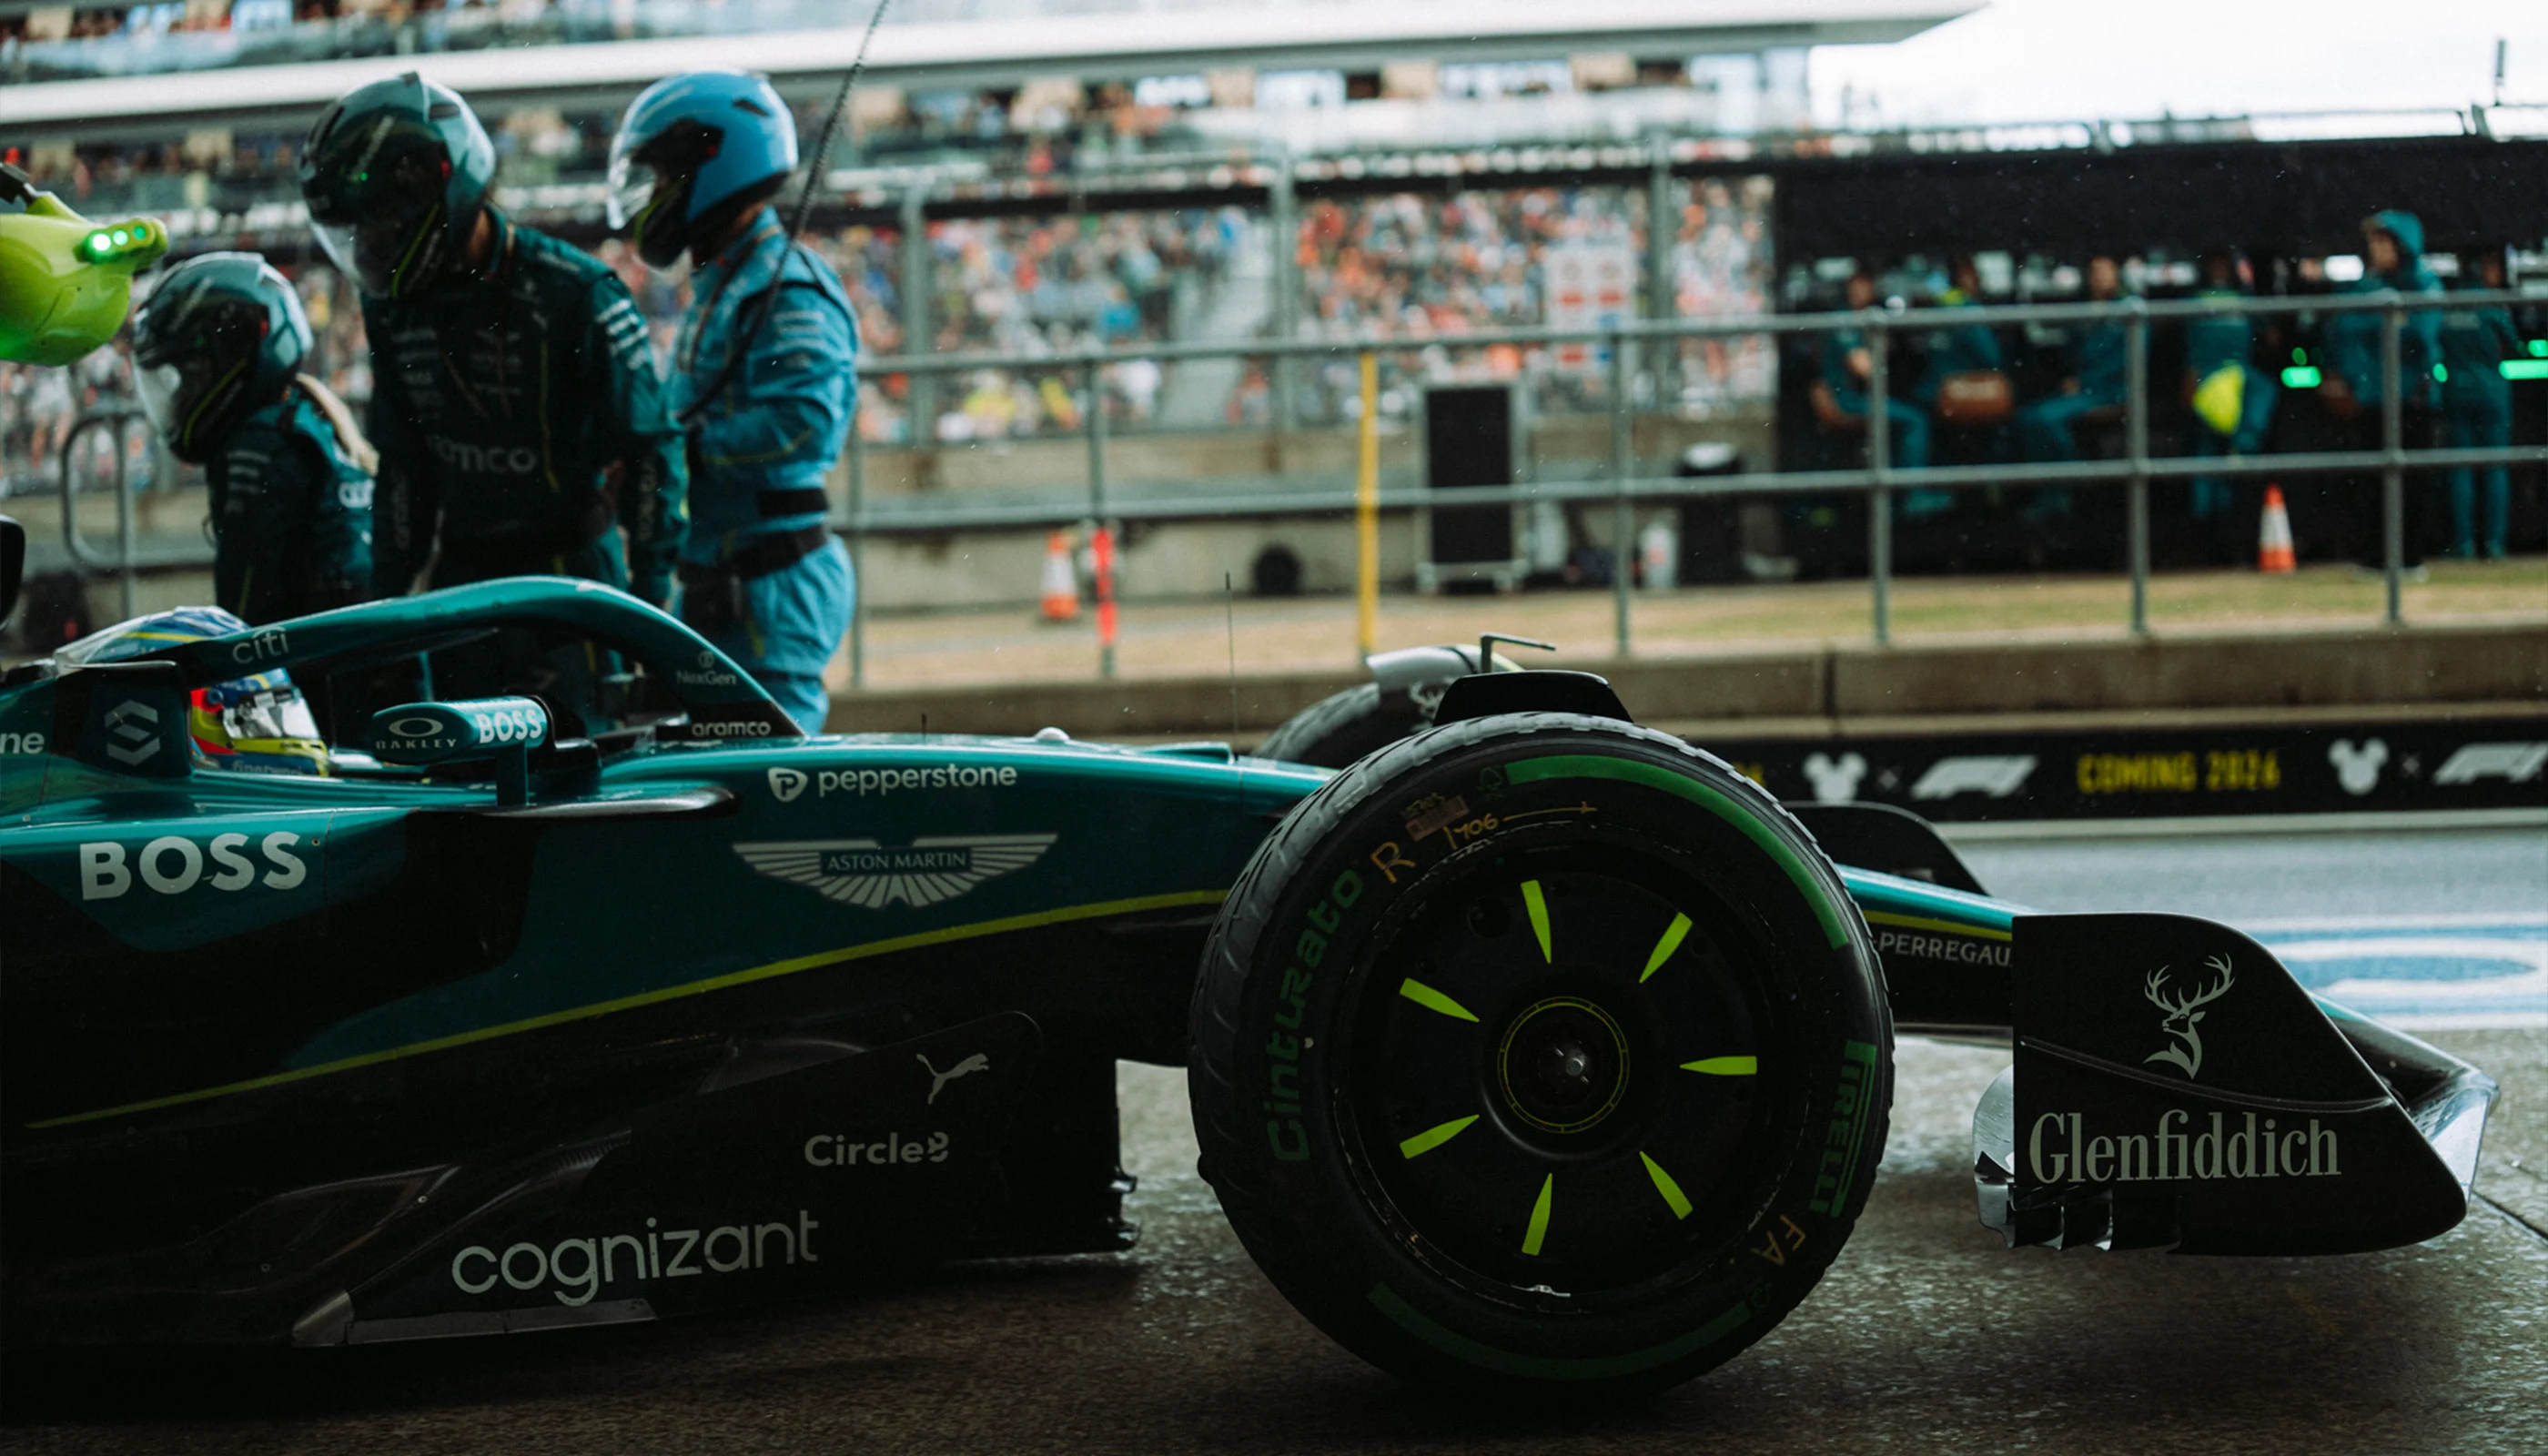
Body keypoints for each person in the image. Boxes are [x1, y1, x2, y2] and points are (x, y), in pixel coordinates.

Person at [298, 73, 686, 609]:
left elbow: (649, 452)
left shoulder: (577, 292)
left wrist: (650, 602)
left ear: (434, 185)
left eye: (378, 224)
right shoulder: (389, 306)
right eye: (355, 232)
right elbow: (403, 468)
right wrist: (383, 605)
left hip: (572, 582)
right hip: (464, 579)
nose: (367, 249)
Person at [606, 70, 855, 733]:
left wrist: (682, 451)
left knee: (769, 777)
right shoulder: (728, 281)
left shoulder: (785, 289)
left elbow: (805, 425)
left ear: (712, 165)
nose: (654, 196)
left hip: (769, 587)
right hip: (723, 582)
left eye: (664, 177)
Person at [129, 252, 374, 625]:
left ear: (232, 355)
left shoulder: (259, 446)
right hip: (358, 646)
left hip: (328, 655)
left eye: (191, 373)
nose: (181, 395)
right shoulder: (303, 414)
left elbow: (243, 622)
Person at [2322, 210, 2443, 571]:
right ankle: (2377, 559)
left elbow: (2420, 335)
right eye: (2373, 242)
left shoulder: (2424, 282)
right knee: (2372, 482)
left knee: (2412, 482)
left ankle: (2410, 560)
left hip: (2413, 398)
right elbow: (2343, 331)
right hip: (2372, 399)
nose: (2376, 250)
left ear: (2403, 246)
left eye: (2383, 242)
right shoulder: (2367, 286)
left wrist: (2379, 322)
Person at [2181, 249, 2280, 541]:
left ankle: (2234, 516)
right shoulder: (2195, 300)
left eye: (2225, 265)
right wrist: (2190, 379)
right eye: (2215, 265)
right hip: (2207, 380)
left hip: (2240, 376)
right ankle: (2204, 523)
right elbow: (2188, 346)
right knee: (2206, 453)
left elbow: (2271, 336)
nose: (2220, 271)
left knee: (2261, 397)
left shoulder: (2244, 298)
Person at [2437, 248, 2521, 560]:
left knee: (2461, 469)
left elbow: (2436, 344)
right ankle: (2495, 544)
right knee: (2496, 467)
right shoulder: (2492, 304)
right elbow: (2516, 345)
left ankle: (2464, 544)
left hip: (2457, 391)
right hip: (2492, 391)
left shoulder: (2448, 305)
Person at [2018, 255, 2129, 465]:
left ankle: (2066, 473)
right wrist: (2070, 377)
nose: (2100, 277)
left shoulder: (2128, 311)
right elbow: (2072, 353)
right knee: (2027, 416)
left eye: (2106, 271)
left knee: (2043, 419)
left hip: (2110, 391)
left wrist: (2084, 382)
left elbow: (2124, 362)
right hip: (2084, 389)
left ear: (2117, 275)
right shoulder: (2083, 310)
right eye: (2095, 272)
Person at [1818, 267, 1930, 473]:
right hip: (1847, 398)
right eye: (1856, 286)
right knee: (1915, 420)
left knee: (1909, 409)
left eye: (1866, 285)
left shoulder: (1864, 316)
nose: (1861, 291)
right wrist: (1880, 345)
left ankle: (1897, 485)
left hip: (1862, 394)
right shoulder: (1844, 318)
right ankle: (1914, 487)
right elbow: (1864, 367)